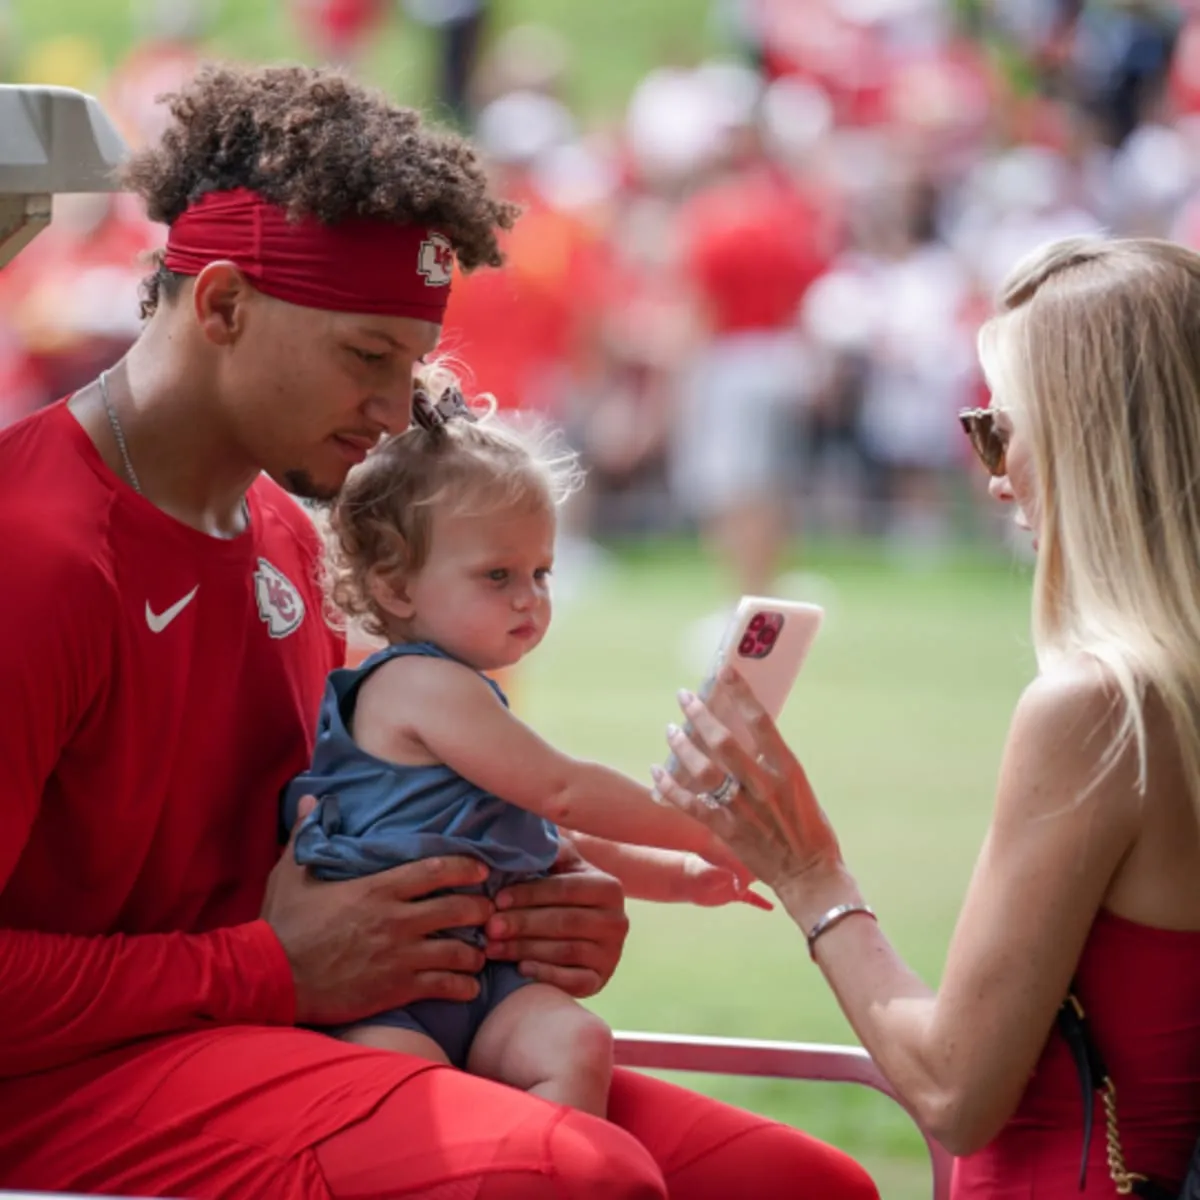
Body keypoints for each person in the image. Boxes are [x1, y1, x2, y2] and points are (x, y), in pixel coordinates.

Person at [0, 61, 880, 1200]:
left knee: (802, 1184)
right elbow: (268, 943)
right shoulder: (34, 550)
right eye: (368, 358)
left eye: (412, 366)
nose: (394, 408)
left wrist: (521, 910)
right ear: (221, 305)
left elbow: (328, 838)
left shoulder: (292, 535)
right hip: (69, 1084)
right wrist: (268, 968)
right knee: (578, 1175)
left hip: (281, 1033)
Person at [653, 235, 1200, 1197]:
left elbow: (954, 1088)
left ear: (1086, 443)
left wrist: (806, 868)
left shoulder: (1100, 710)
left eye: (998, 429)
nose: (992, 475)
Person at [283, 376, 760, 1116]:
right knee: (410, 1098)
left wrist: (682, 876)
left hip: (487, 980)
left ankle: (560, 1170)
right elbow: (563, 790)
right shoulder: (415, 685)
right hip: (384, 995)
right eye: (496, 576)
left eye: (540, 573)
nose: (528, 599)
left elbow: (550, 836)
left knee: (577, 1043)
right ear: (396, 585)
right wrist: (711, 823)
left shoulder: (465, 694)